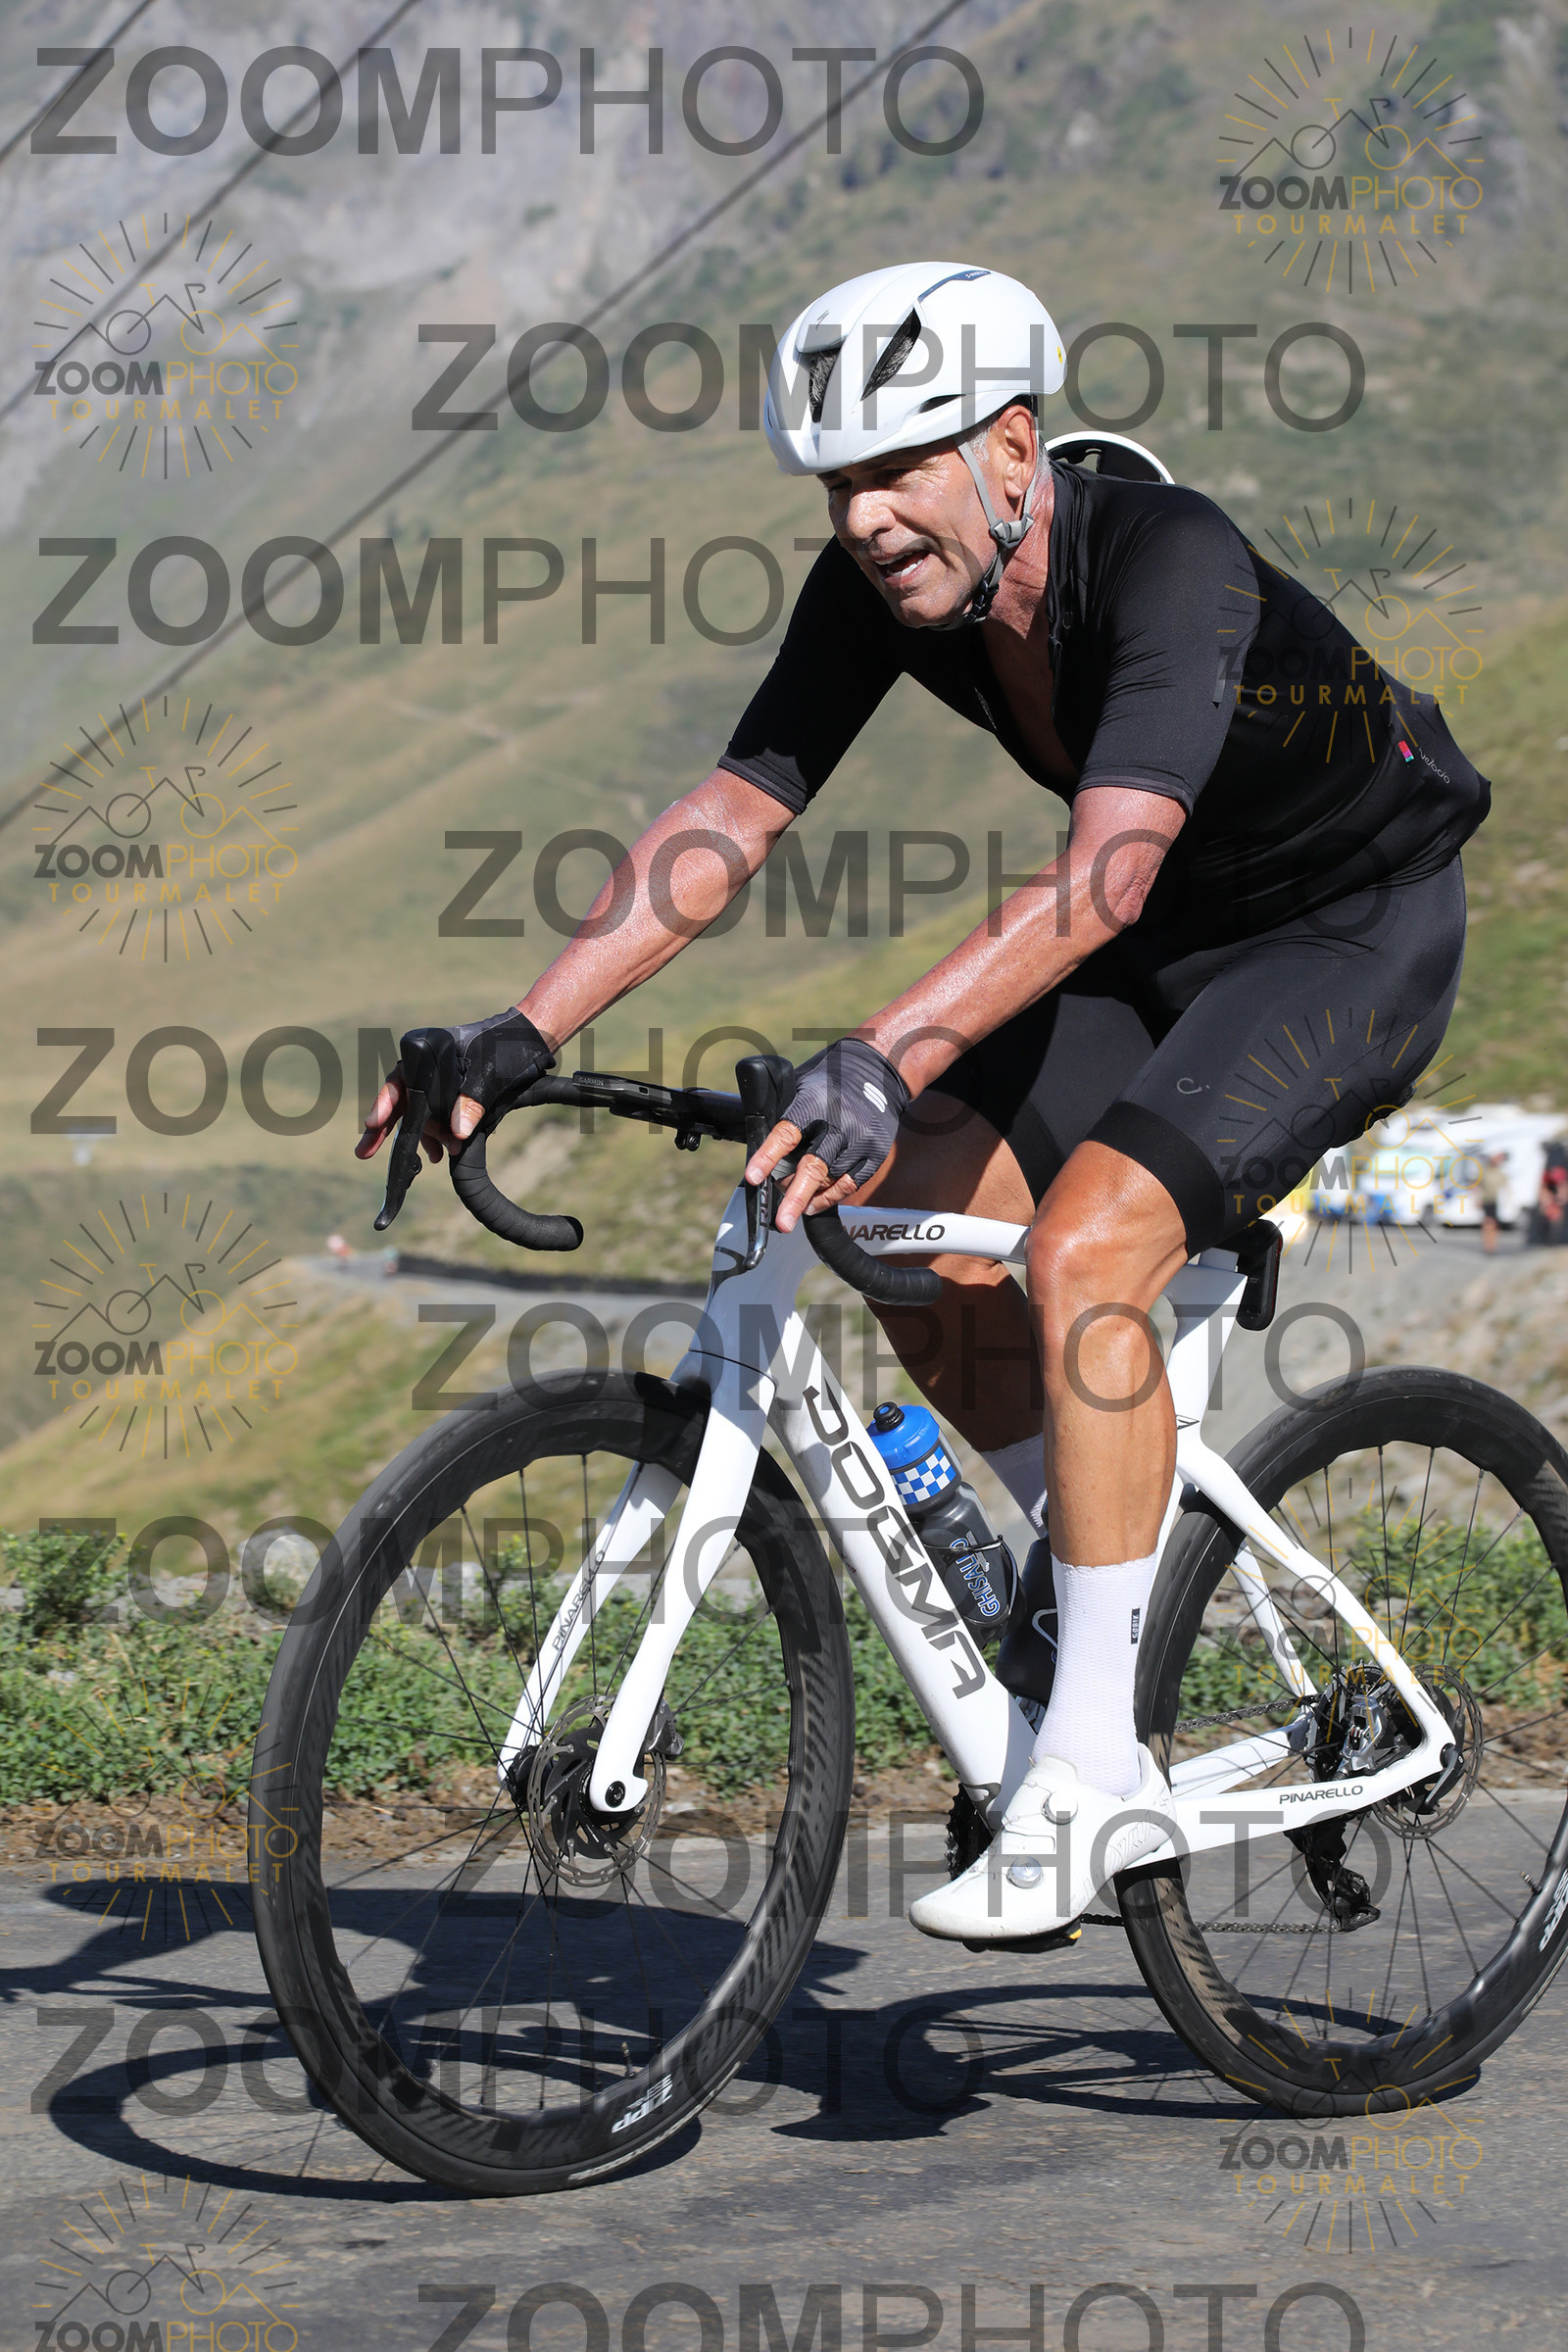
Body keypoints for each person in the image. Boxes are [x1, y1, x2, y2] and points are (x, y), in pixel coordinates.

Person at [359, 263, 1491, 1942]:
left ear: (1014, 449)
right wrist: (525, 1025)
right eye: (838, 482)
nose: (865, 518)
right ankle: (1089, 1574)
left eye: (898, 469)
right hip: (1163, 937)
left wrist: (887, 1050)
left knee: (1085, 1248)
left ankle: (1091, 1774)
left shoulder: (1170, 561)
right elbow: (737, 809)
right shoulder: (881, 590)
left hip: (1347, 932)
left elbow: (1108, 870)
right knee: (877, 1206)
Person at [1479, 1152, 1505, 1254]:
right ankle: (1488, 1246)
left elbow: (1504, 1184)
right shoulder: (1485, 1172)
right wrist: (1476, 1199)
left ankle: (1492, 1246)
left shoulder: (1498, 1172)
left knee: (1494, 1225)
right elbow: (1478, 1186)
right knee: (1488, 1224)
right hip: (1486, 1200)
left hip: (1495, 1200)